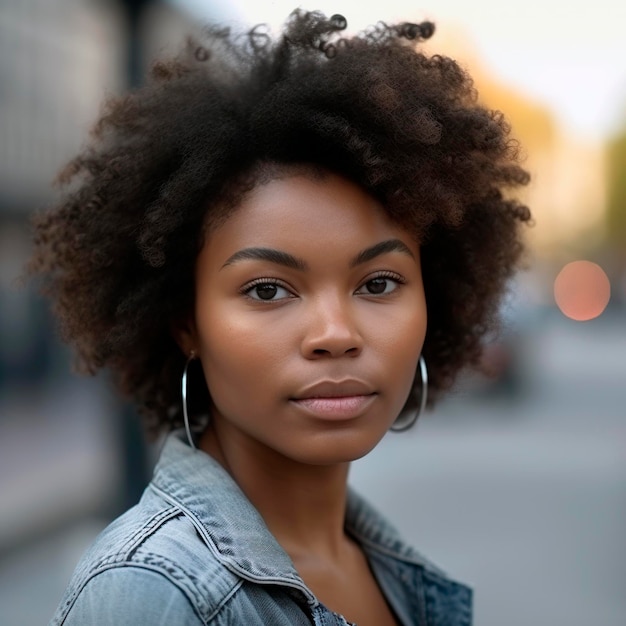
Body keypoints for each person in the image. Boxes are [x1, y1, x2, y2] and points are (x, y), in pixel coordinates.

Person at [29, 9, 531, 625]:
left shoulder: (384, 570)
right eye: (268, 291)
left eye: (378, 283)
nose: (336, 335)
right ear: (185, 321)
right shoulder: (153, 594)